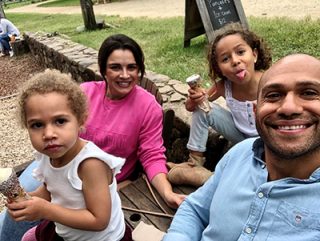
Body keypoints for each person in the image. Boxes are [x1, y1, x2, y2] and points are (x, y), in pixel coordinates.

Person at [0, 34, 185, 241]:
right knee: (12, 216)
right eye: (115, 67)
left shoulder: (147, 106)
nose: (124, 75)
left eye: (131, 67)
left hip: (98, 186)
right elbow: (49, 188)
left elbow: (152, 155)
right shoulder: (84, 94)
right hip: (59, 164)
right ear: (103, 69)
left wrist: (167, 192)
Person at [163, 53, 320, 240]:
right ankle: (195, 162)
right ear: (256, 110)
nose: (288, 108)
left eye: (309, 93)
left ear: (254, 55)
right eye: (274, 95)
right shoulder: (240, 152)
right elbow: (195, 209)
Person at [6, 69, 129, 241]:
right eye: (37, 125)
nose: (48, 134)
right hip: (67, 229)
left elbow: (99, 220)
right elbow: (50, 190)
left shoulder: (90, 164)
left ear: (80, 120)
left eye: (60, 121)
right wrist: (27, 201)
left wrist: (45, 210)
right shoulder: (48, 156)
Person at [167, 22, 272, 187]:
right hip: (239, 135)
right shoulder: (224, 86)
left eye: (240, 52)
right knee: (203, 108)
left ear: (255, 54)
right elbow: (191, 108)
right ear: (220, 69)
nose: (235, 61)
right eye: (225, 58)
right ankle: (194, 164)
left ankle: (211, 180)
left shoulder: (269, 81)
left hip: (268, 141)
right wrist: (195, 98)